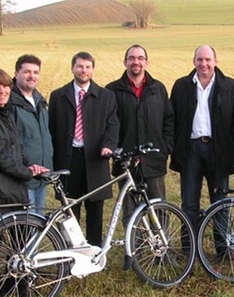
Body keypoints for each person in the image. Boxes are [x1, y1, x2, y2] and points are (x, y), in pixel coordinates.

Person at [170, 45, 234, 235]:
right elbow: (173, 120)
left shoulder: (230, 86)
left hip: (218, 151)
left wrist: (231, 148)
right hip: (190, 151)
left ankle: (223, 248)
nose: (204, 64)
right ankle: (189, 248)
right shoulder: (181, 86)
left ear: (215, 61)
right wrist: (175, 148)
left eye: (208, 60)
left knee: (221, 203)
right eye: (200, 59)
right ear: (194, 61)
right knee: (189, 204)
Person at [48, 51, 119, 247]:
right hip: (69, 160)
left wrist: (108, 146)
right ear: (72, 68)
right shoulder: (58, 96)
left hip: (95, 160)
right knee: (70, 208)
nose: (83, 70)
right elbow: (52, 128)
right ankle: (73, 250)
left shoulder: (106, 97)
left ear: (93, 70)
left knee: (95, 207)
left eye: (88, 67)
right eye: (79, 66)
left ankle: (94, 250)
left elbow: (113, 125)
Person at [105, 44, 174, 227]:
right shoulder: (112, 90)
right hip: (126, 161)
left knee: (158, 210)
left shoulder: (158, 89)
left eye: (140, 58)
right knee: (130, 211)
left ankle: (161, 252)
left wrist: (165, 147)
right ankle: (134, 252)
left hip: (153, 160)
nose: (136, 62)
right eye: (132, 58)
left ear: (147, 62)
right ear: (125, 62)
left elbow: (169, 120)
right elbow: (107, 124)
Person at [0, 68, 48, 210]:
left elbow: (18, 145)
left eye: (5, 86)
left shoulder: (7, 112)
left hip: (14, 186)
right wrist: (25, 172)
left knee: (20, 230)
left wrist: (30, 164)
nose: (2, 91)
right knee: (0, 231)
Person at [10, 54, 54, 215]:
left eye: (36, 72)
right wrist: (23, 166)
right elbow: (11, 140)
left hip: (41, 173)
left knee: (38, 221)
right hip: (23, 176)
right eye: (27, 72)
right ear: (16, 74)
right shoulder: (10, 102)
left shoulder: (39, 100)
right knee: (25, 224)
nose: (32, 76)